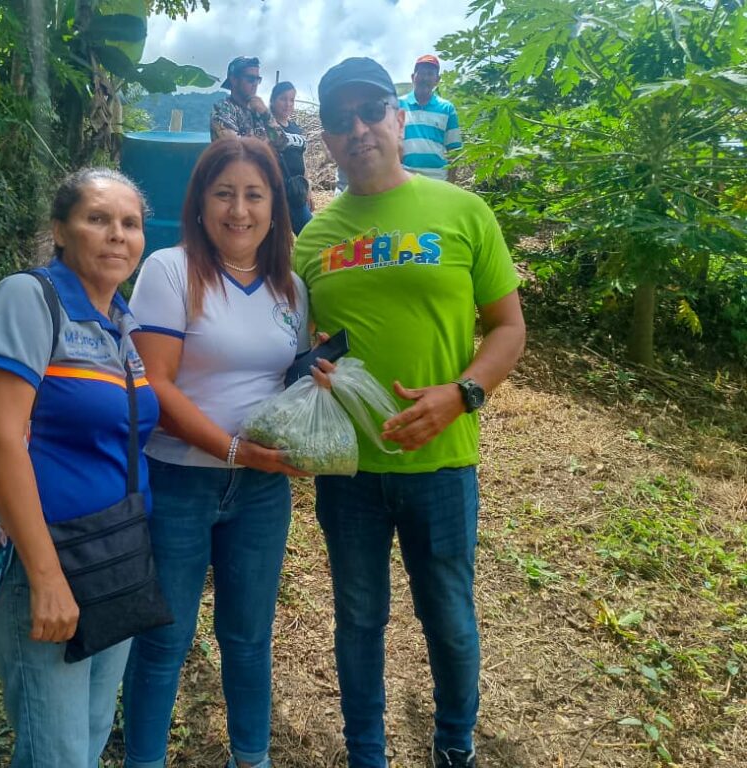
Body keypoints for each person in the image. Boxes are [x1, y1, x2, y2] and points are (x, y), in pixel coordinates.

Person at [293, 58, 526, 768]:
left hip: (442, 464)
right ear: (327, 140)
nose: (358, 128)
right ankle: (366, 751)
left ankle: (455, 742)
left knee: (449, 618)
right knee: (359, 619)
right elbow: (300, 346)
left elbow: (508, 328)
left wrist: (463, 394)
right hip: (349, 470)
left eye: (372, 111)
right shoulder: (312, 241)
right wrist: (313, 366)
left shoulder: (463, 213)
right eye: (341, 120)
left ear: (400, 119)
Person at [123, 137, 325, 768]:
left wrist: (320, 377)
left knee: (248, 638)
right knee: (164, 639)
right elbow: (155, 385)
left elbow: (286, 379)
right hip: (179, 480)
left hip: (261, 492)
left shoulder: (291, 288)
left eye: (255, 195)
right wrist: (235, 450)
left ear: (275, 207)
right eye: (224, 194)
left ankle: (251, 757)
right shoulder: (169, 270)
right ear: (201, 203)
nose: (240, 210)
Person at [0, 168, 160, 768]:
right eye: (97, 219)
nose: (117, 235)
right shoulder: (30, 298)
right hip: (48, 559)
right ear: (59, 229)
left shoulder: (122, 322)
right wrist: (46, 578)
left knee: (91, 735)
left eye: (130, 223)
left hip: (116, 554)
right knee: (57, 754)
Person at [401, 54, 463, 182]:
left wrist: (451, 183)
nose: (425, 78)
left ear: (437, 80)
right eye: (421, 73)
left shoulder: (447, 108)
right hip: (404, 179)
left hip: (437, 179)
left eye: (430, 74)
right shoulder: (398, 105)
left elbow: (454, 150)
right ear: (413, 77)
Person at [210, 56, 288, 157]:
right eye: (251, 79)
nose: (255, 84)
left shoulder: (259, 112)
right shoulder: (222, 109)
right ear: (234, 80)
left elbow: (282, 143)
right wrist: (267, 145)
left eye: (258, 79)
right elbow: (235, 149)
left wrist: (266, 114)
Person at [269, 80, 313, 234]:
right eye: (283, 99)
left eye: (292, 100)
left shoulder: (296, 128)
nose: (288, 104)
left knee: (310, 233)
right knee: (279, 238)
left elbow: (302, 160)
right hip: (277, 192)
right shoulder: (267, 127)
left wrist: (308, 190)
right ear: (273, 100)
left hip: (296, 191)